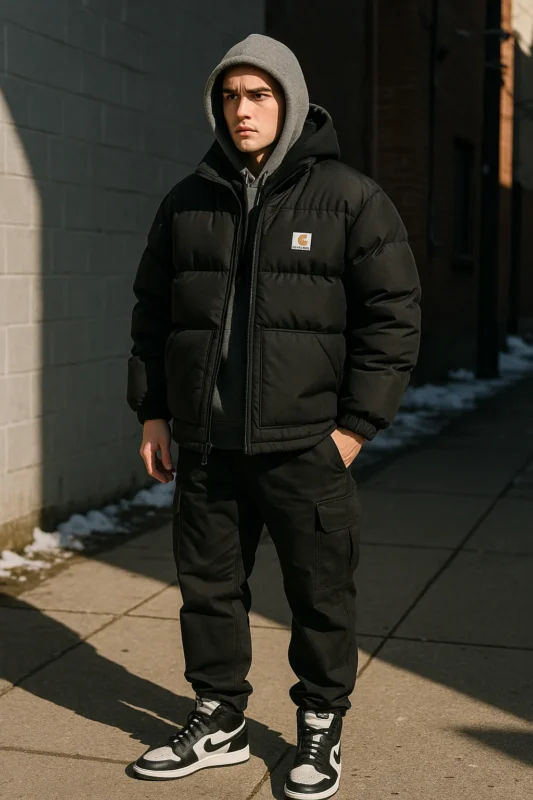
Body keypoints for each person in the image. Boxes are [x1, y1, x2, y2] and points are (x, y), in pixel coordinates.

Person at [126, 33, 421, 800]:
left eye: (258, 95)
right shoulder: (188, 200)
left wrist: (353, 429)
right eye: (230, 96)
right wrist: (154, 412)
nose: (242, 110)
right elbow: (153, 313)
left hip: (304, 447)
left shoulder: (350, 197)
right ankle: (218, 718)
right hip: (207, 444)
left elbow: (393, 318)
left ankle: (319, 723)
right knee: (208, 591)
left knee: (319, 596)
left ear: (289, 102)